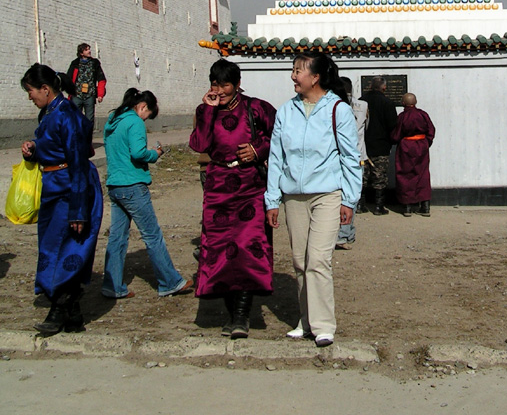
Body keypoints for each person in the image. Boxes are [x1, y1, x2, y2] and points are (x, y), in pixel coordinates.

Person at [266, 52, 362, 348]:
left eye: (298, 71)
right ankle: (305, 321)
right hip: (294, 195)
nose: (294, 76)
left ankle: (323, 325)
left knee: (318, 258)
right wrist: (272, 199)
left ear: (315, 77)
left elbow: (350, 157)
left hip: (327, 194)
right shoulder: (286, 111)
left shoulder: (338, 110)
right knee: (299, 260)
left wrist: (350, 199)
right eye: (293, 70)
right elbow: (276, 157)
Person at [189, 59, 276, 339]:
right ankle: (232, 314)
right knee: (220, 252)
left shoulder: (257, 108)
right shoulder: (206, 110)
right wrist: (207, 112)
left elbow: (280, 137)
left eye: (225, 84)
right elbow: (199, 145)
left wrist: (257, 149)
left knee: (248, 249)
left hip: (250, 188)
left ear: (237, 84)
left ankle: (242, 316)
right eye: (215, 83)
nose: (220, 90)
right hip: (217, 190)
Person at [20, 63, 103, 335]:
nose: (30, 97)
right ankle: (73, 317)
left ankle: (57, 310)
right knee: (53, 247)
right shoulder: (48, 113)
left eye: (31, 91)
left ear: (45, 89)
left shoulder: (68, 116)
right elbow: (51, 149)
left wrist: (79, 211)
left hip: (72, 190)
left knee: (68, 249)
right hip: (54, 188)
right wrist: (33, 150)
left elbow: (77, 162)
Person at [102, 88, 193, 298]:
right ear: (143, 107)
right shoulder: (134, 122)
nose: (146, 119)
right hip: (133, 185)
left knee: (117, 237)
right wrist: (155, 153)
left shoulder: (113, 120)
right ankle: (169, 281)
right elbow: (138, 153)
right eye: (148, 115)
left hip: (115, 184)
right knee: (152, 236)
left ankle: (112, 284)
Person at [335, 76, 368, 249]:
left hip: (337, 157)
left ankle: (338, 233)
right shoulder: (363, 106)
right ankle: (347, 233)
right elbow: (365, 128)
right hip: (358, 156)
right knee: (351, 197)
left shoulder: (332, 106)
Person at [390, 93, 436, 217]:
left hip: (406, 146)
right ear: (415, 102)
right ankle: (425, 206)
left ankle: (407, 207)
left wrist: (395, 140)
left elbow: (396, 135)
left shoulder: (402, 116)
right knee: (423, 174)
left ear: (403, 103)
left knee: (405, 174)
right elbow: (431, 130)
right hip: (421, 146)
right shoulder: (423, 114)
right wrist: (426, 142)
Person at [360, 76, 398, 215]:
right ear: (384, 87)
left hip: (362, 144)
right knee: (380, 177)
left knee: (362, 176)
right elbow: (392, 125)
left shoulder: (361, 102)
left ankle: (360, 204)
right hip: (381, 144)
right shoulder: (387, 103)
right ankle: (378, 206)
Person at [67, 43, 107, 124]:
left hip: (90, 95)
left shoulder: (95, 63)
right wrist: (69, 93)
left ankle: (87, 135)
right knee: (75, 118)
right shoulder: (75, 63)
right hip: (76, 95)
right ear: (81, 53)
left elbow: (101, 79)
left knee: (89, 119)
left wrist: (100, 94)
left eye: (89, 49)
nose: (89, 51)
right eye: (86, 50)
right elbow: (69, 78)